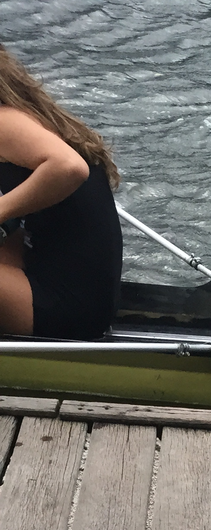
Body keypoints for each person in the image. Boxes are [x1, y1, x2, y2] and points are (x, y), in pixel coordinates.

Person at [0, 44, 123, 339]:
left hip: (63, 310)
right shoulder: (28, 116)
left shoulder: (3, 121)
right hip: (86, 302)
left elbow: (70, 167)